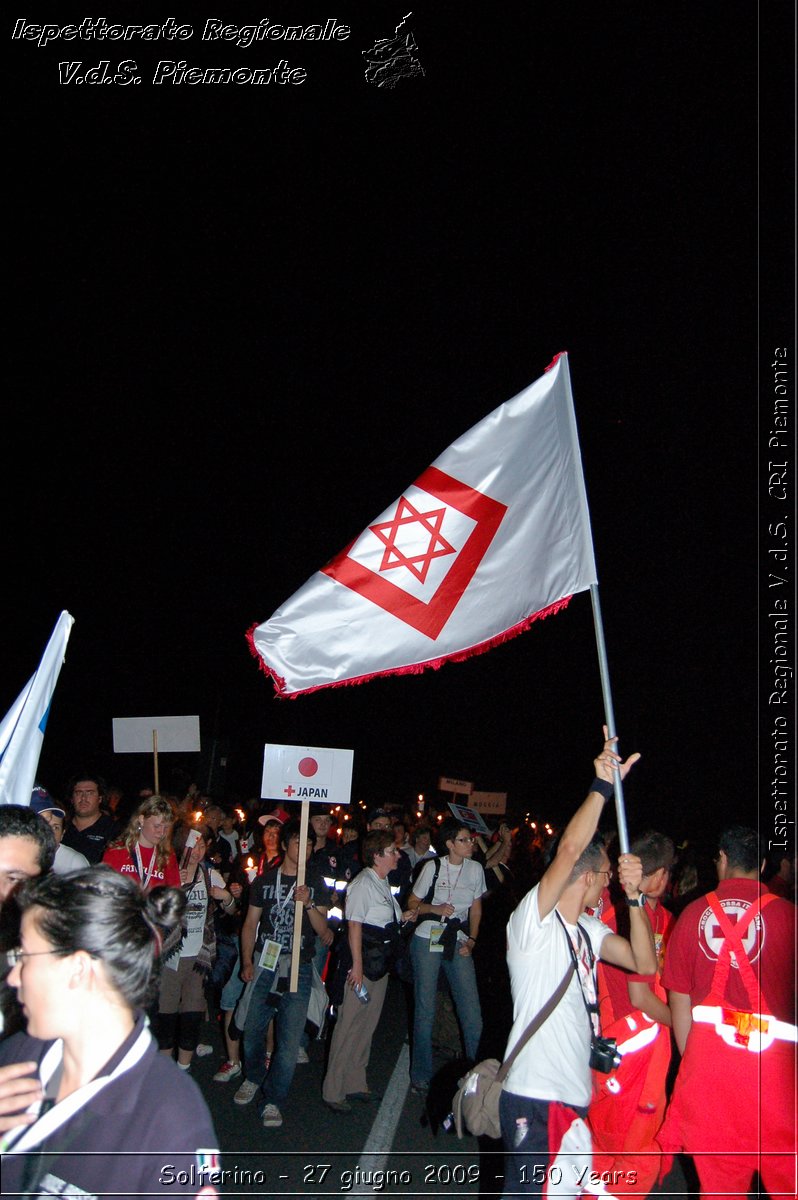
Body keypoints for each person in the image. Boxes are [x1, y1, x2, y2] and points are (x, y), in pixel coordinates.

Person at [498, 731, 656, 1197]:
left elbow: (643, 964)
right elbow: (568, 849)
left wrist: (635, 898)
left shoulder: (588, 930)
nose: (608, 882)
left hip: (573, 1099)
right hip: (538, 1097)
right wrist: (601, 786)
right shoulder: (533, 922)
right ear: (586, 877)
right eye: (606, 875)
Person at [0, 866, 220, 1198]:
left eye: (25, 957)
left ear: (79, 969)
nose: (13, 977)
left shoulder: (171, 1124)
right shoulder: (18, 1055)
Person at [659, 825, 796, 1199]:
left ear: (721, 860)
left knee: (721, 1189)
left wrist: (697, 1061)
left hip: (711, 1076)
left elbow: (679, 1001)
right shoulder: (789, 918)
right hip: (777, 1078)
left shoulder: (690, 916)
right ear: (764, 864)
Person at [584, 829, 676, 1198]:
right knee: (633, 1156)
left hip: (620, 1052)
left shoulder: (655, 916)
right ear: (660, 875)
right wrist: (685, 1025)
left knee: (604, 1152)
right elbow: (640, 995)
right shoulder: (624, 915)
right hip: (630, 1053)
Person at [232, 818, 331, 1128]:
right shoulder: (264, 881)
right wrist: (247, 961)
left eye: (311, 843)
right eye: (301, 842)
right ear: (287, 845)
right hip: (266, 961)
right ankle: (253, 1076)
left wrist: (310, 902)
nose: (307, 848)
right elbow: (250, 924)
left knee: (289, 1039)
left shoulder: (316, 882)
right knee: (252, 1027)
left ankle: (274, 1098)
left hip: (299, 965)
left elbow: (323, 929)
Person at [322, 828, 418, 1112]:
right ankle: (333, 1089)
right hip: (364, 962)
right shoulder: (363, 883)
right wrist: (357, 968)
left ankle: (355, 1081)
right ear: (377, 856)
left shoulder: (381, 881)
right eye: (392, 851)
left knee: (367, 1024)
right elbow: (355, 925)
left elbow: (381, 918)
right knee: (348, 1024)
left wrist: (404, 916)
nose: (397, 855)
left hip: (379, 963)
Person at [406, 817, 487, 1094]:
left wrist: (473, 939)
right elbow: (413, 903)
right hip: (429, 935)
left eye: (471, 839)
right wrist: (435, 908)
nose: (470, 844)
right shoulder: (433, 867)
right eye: (464, 840)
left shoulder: (476, 869)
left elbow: (476, 909)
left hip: (458, 938)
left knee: (472, 1010)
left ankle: (476, 1075)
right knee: (425, 1007)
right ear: (450, 844)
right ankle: (421, 1076)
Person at [156, 822, 239, 1072]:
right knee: (167, 1017)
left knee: (192, 1016)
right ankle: (162, 1072)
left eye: (202, 844)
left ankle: (183, 1069)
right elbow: (155, 911)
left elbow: (232, 911)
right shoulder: (167, 871)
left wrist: (227, 897)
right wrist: (173, 886)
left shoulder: (209, 874)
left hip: (199, 957)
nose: (198, 849)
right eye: (194, 844)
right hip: (171, 956)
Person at [102, 795, 181, 890]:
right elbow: (104, 890)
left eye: (166, 827)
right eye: (157, 826)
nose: (162, 832)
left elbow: (174, 892)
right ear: (142, 820)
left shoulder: (167, 856)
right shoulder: (116, 852)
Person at [60, 773, 118, 863]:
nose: (83, 798)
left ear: (100, 798)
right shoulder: (60, 827)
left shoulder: (113, 830)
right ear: (72, 798)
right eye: (78, 793)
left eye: (90, 793)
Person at [29, 786, 89, 874]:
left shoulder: (75, 863)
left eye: (55, 827)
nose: (49, 832)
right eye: (44, 825)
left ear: (62, 834)